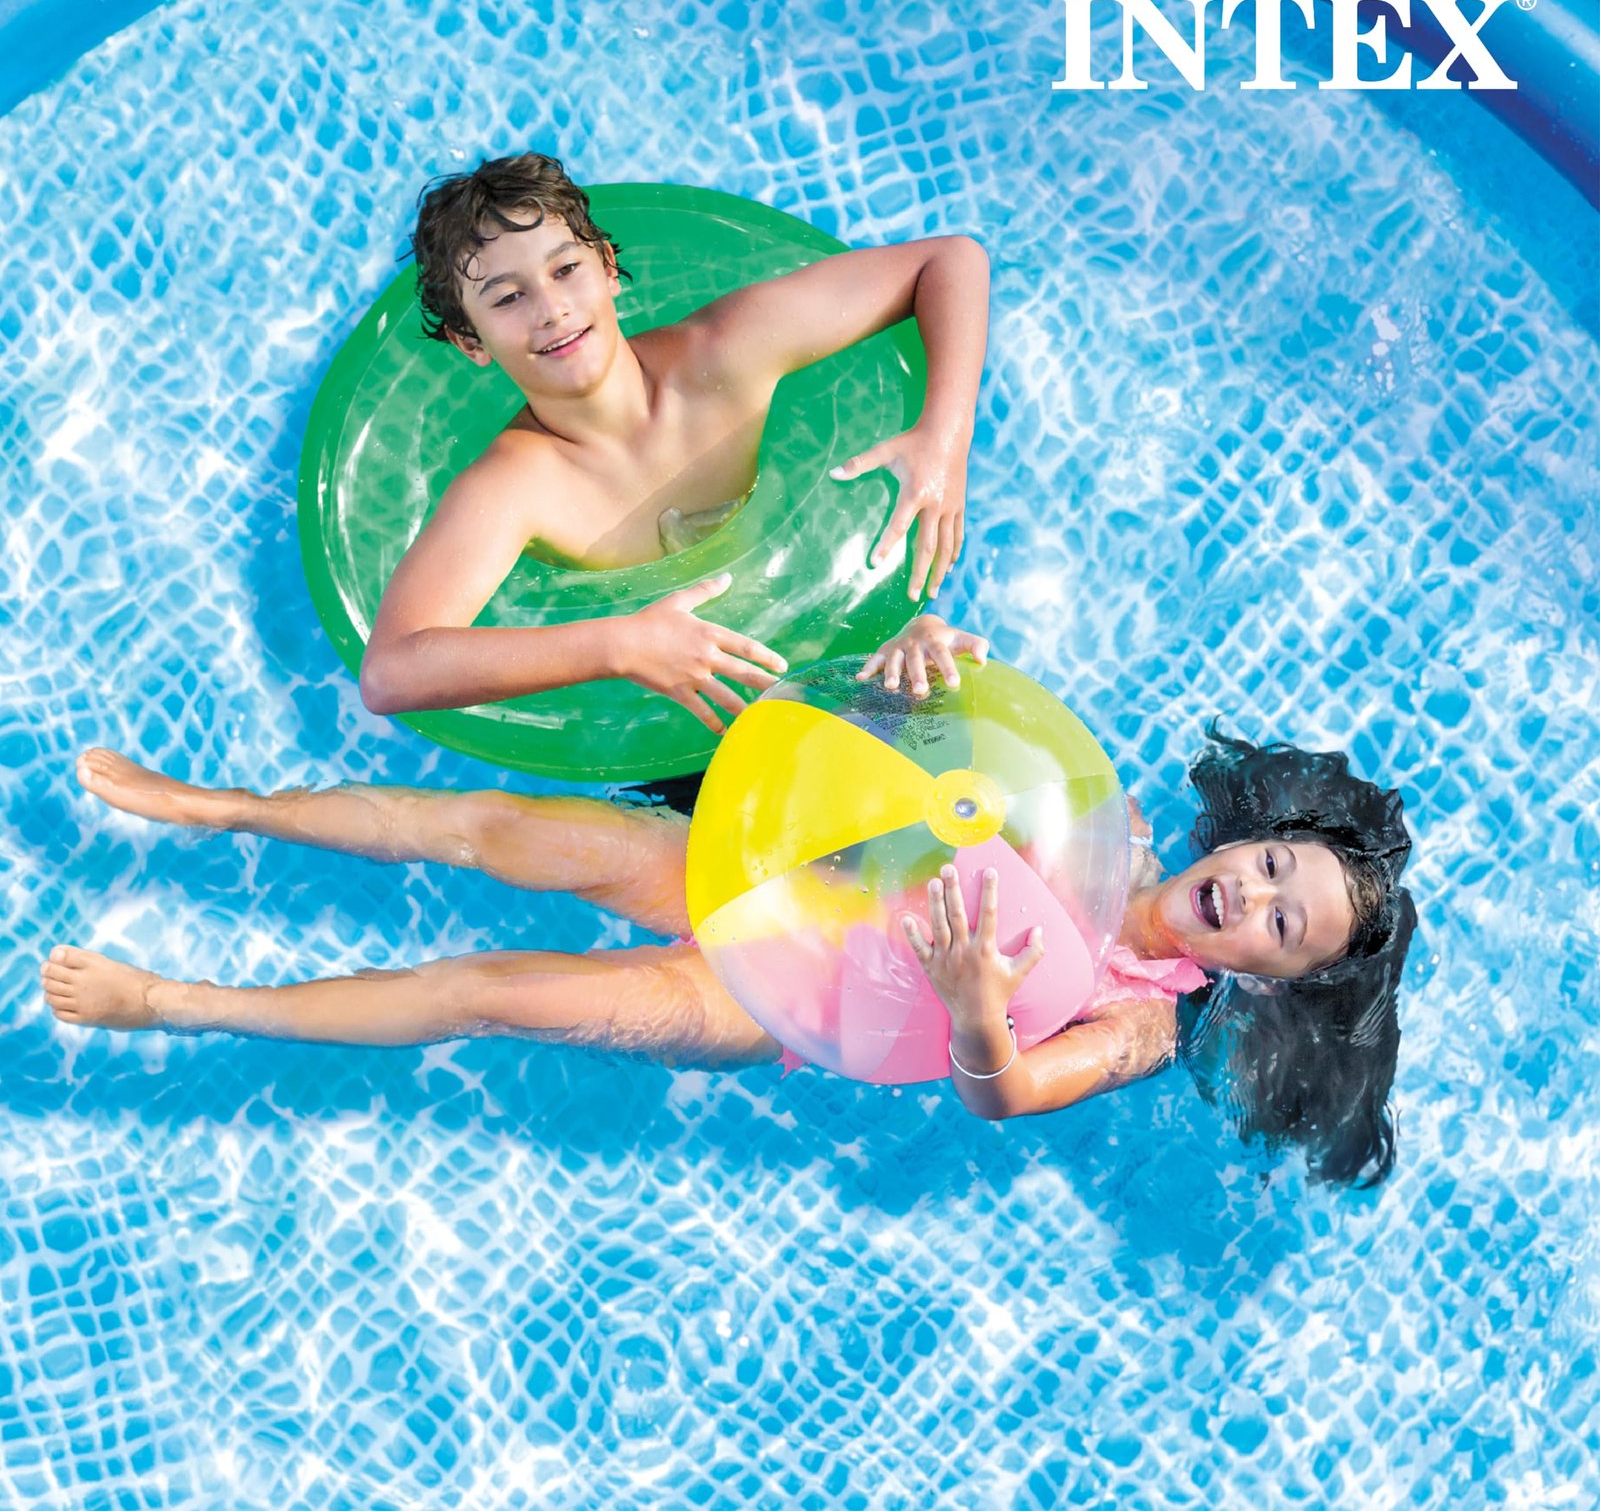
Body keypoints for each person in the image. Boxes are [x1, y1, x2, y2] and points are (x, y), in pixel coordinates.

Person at [40, 615, 1413, 1186]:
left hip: (769, 993)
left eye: (1282, 926)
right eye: (1274, 866)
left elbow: (1001, 1097)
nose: (1252, 896)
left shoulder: (1145, 1022)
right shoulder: (1093, 811)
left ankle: (181, 999)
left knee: (488, 991)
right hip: (774, 867)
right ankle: (224, 807)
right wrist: (911, 665)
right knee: (486, 827)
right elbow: (895, 758)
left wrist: (974, 1007)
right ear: (1255, 832)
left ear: (1272, 979)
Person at [357, 152, 992, 737]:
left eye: (566, 270)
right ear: (471, 342)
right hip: (688, 727)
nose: (550, 309)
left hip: (829, 617)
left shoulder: (724, 358)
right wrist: (620, 646)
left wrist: (945, 439)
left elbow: (950, 261)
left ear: (609, 268)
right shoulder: (517, 485)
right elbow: (391, 671)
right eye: (508, 298)